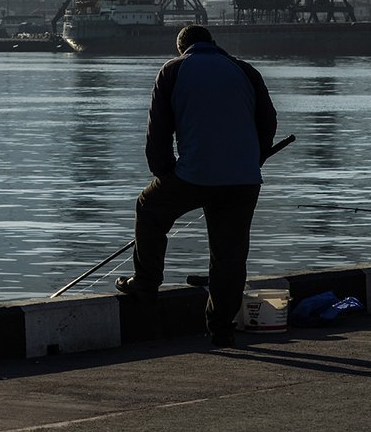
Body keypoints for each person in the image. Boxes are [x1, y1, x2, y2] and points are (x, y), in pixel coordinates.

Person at [115, 24, 279, 348]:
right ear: (213, 44)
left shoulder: (173, 70)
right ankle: (221, 329)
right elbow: (268, 121)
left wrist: (164, 172)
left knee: (149, 209)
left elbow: (158, 130)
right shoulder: (245, 70)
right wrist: (253, 159)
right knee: (229, 256)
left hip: (193, 175)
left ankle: (146, 284)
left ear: (182, 48)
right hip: (243, 180)